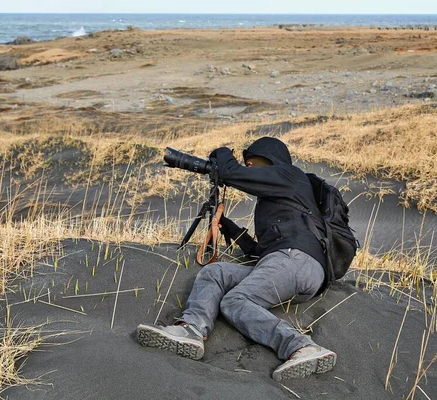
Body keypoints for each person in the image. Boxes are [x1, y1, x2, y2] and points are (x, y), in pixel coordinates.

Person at [137, 137, 337, 381]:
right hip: (286, 265)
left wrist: (220, 152)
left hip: (297, 260)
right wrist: (228, 227)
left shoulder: (290, 175)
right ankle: (192, 329)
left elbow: (232, 173)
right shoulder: (276, 200)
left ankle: (302, 346)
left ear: (271, 159)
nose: (248, 167)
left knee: (234, 301)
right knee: (215, 272)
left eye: (251, 162)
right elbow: (259, 253)